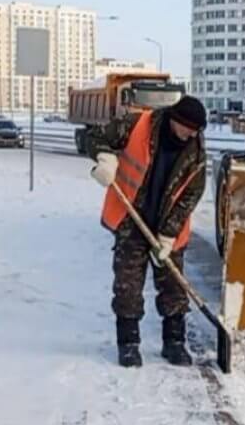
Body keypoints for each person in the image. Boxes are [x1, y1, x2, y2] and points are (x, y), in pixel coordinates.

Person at [88, 96, 208, 368]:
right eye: (188, 128)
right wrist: (104, 158)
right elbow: (91, 135)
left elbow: (192, 193)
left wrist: (168, 234)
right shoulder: (139, 125)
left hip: (167, 228)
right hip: (131, 220)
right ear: (176, 121)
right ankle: (128, 344)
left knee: (174, 287)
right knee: (128, 285)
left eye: (196, 131)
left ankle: (174, 342)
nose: (192, 135)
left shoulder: (196, 152)